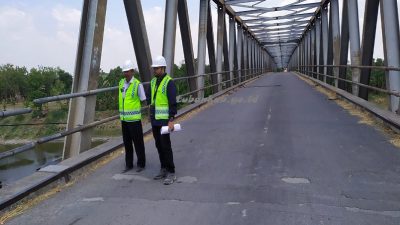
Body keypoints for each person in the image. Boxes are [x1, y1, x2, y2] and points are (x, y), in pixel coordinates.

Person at [149, 56, 177, 185]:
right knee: (159, 145)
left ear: (163, 68)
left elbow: (172, 102)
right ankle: (163, 168)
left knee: (166, 146)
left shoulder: (169, 82)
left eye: (157, 68)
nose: (155, 70)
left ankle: (171, 172)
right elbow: (152, 100)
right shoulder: (153, 82)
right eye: (154, 68)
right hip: (155, 120)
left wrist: (171, 119)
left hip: (165, 121)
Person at [119, 60, 147, 173]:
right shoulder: (121, 83)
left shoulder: (137, 84)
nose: (125, 73)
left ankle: (141, 163)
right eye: (124, 71)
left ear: (132, 71)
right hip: (124, 119)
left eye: (127, 71)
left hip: (134, 120)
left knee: (138, 142)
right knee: (127, 143)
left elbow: (143, 99)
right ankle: (129, 164)